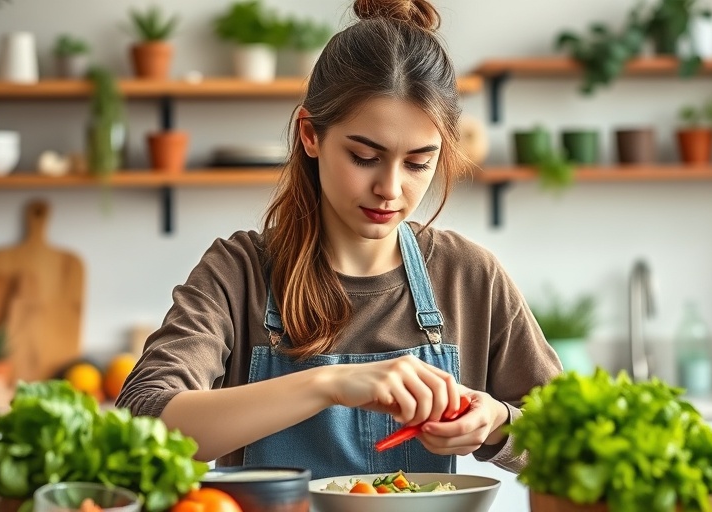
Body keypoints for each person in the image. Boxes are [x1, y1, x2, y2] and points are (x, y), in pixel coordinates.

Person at [116, 0, 562, 479]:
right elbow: (142, 418)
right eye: (364, 156)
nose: (390, 189)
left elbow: (567, 435)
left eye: (417, 163)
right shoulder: (237, 272)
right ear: (311, 135)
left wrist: (497, 423)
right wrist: (330, 384)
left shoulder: (468, 276)